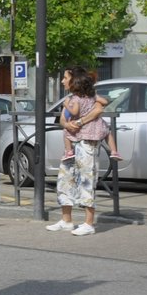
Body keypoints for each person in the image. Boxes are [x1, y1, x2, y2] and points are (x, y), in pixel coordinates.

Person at [49, 67, 102, 235]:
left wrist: (78, 122)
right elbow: (63, 119)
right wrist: (67, 124)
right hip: (71, 144)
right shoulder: (70, 98)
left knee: (87, 179)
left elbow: (99, 109)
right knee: (65, 180)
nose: (63, 81)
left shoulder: (90, 98)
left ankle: (88, 224)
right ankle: (67, 220)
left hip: (86, 142)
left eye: (65, 78)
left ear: (74, 80)